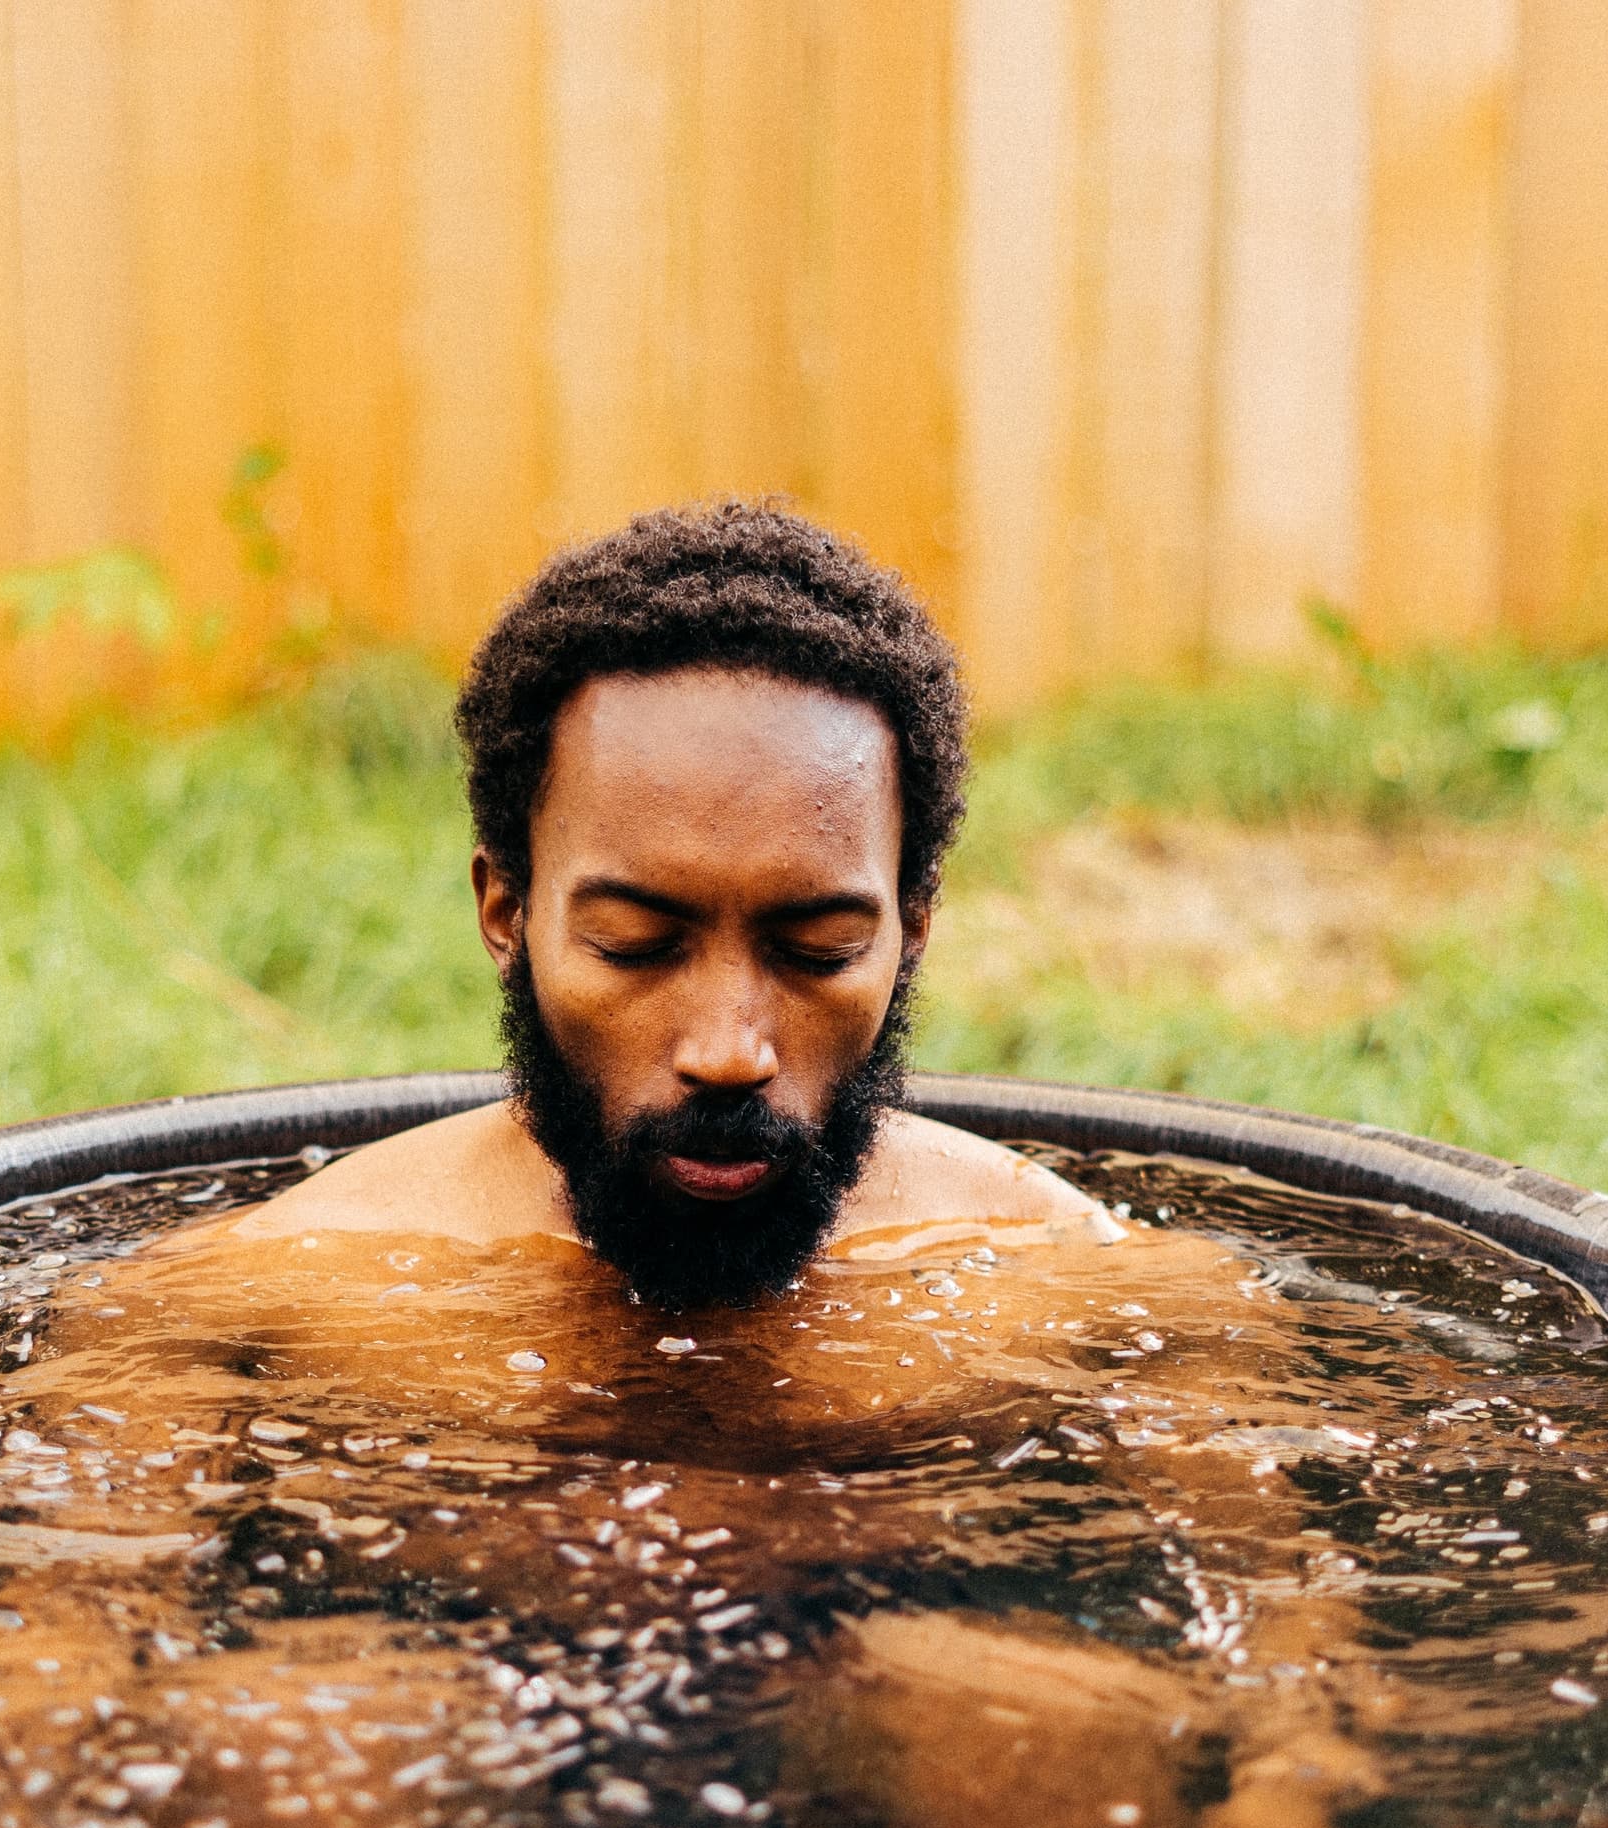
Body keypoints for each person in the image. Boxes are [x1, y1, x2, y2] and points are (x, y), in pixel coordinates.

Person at [229, 499, 1106, 1307]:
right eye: (635, 943)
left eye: (819, 950)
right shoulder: (303, 1286)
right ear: (508, 914)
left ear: (912, 930)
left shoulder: (1056, 1279)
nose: (729, 1055)